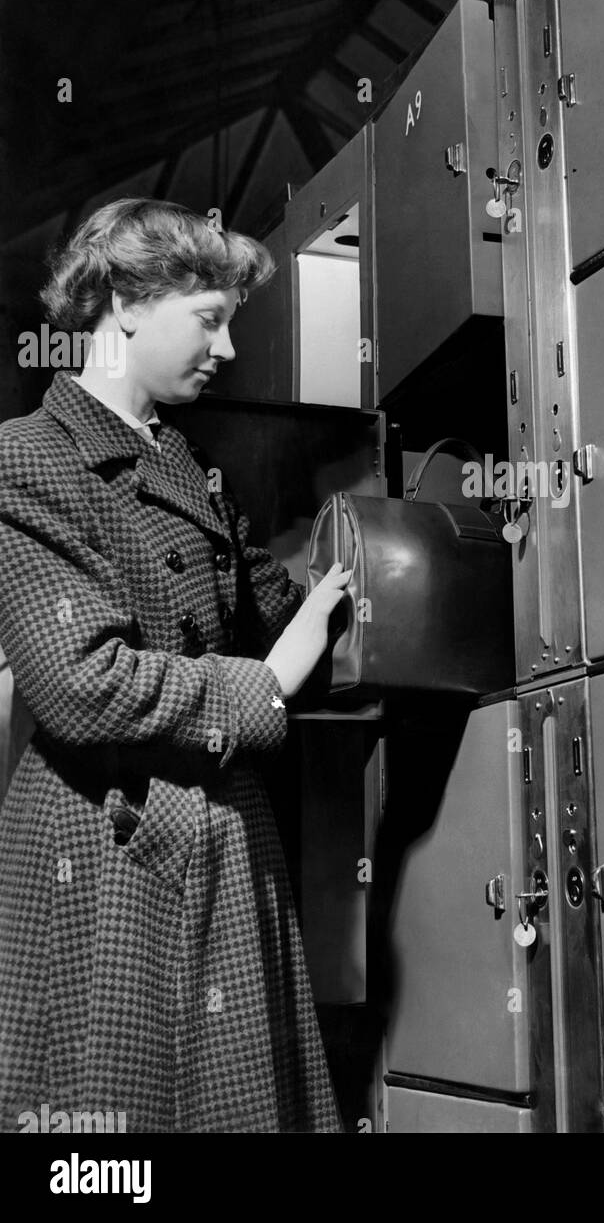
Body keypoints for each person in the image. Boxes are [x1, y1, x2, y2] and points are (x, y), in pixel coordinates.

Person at [0, 198, 349, 1133]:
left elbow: (276, 604)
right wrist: (264, 683)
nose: (227, 349)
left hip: (222, 838)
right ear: (122, 305)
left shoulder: (186, 466)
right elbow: (81, 682)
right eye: (208, 319)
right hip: (106, 859)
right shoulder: (25, 459)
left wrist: (372, 566)